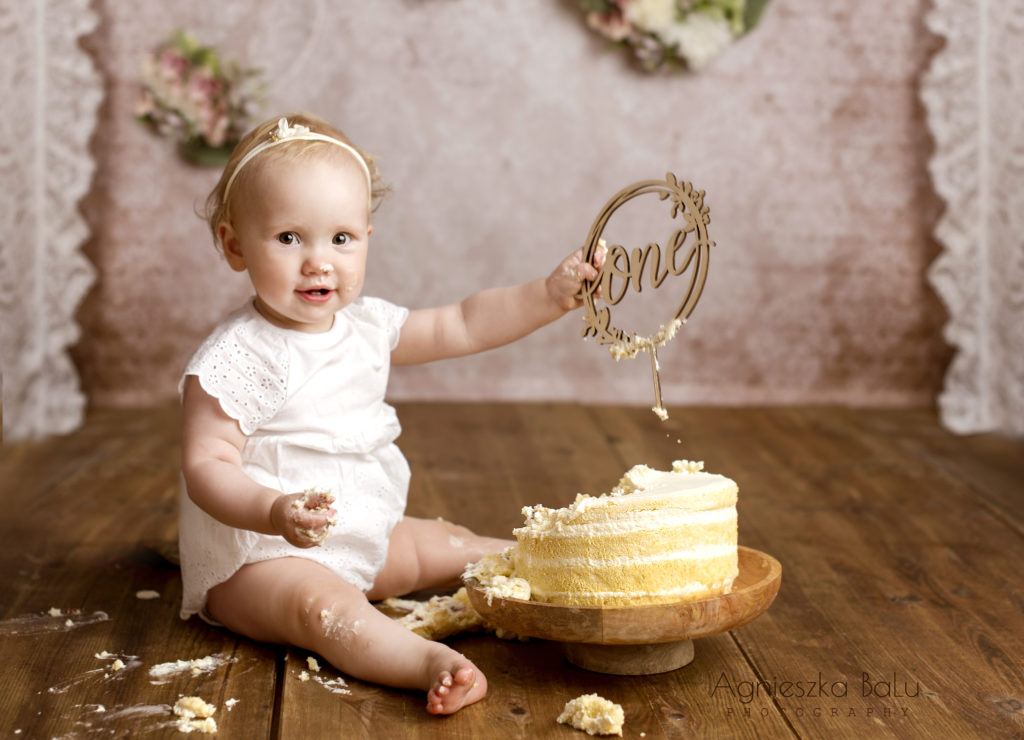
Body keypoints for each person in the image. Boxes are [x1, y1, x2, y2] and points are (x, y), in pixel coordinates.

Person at [179, 112, 604, 714]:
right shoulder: (236, 357)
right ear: (234, 245)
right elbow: (207, 465)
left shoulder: (366, 326)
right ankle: (426, 662)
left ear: (367, 239)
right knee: (325, 611)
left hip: (355, 531)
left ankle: (544, 565)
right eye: (289, 238)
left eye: (341, 239)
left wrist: (549, 295)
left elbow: (464, 322)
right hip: (261, 557)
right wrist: (273, 511)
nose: (318, 262)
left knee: (441, 544)